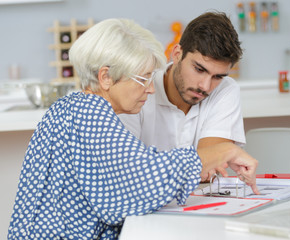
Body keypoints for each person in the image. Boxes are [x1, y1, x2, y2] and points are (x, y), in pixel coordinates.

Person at [8, 18, 258, 239]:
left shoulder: (73, 108)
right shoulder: (89, 112)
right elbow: (137, 181)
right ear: (105, 77)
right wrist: (219, 152)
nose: (151, 89)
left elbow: (131, 169)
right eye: (143, 78)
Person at [118, 12, 255, 181]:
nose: (205, 86)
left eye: (217, 76)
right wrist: (205, 160)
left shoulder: (226, 89)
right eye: (199, 69)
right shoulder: (140, 87)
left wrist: (208, 161)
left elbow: (207, 171)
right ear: (177, 54)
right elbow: (128, 172)